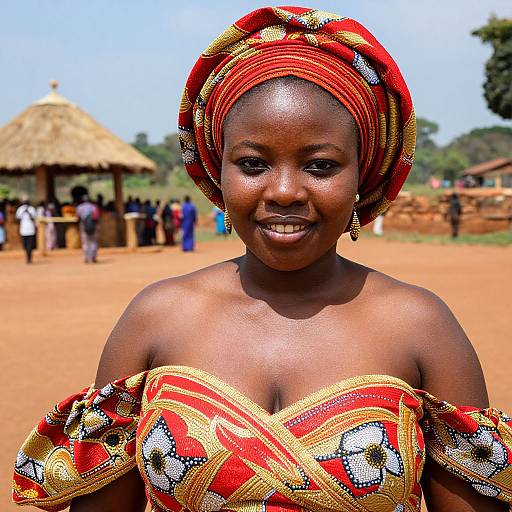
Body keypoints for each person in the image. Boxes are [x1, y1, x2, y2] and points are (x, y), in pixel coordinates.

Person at [13, 7, 512, 512]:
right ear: (217, 169)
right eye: (253, 164)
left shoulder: (421, 327)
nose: (285, 191)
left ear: (364, 174)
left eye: (320, 165)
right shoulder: (156, 320)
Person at [76, 194, 100, 263]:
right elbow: (97, 218)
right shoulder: (94, 207)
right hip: (93, 226)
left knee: (85, 242)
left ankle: (86, 257)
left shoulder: (80, 207)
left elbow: (78, 218)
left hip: (83, 226)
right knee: (93, 241)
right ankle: (93, 257)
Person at [15, 198, 37, 263]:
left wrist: (28, 212)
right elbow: (17, 218)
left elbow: (34, 217)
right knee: (25, 245)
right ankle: (27, 255)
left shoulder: (32, 209)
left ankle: (29, 258)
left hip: (30, 230)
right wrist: (23, 211)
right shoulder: (20, 209)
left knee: (29, 245)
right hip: (23, 230)